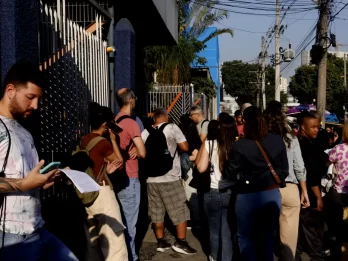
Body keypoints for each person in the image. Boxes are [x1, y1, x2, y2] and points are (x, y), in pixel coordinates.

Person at [0, 63, 78, 260]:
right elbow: (23, 183)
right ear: (10, 90)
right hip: (11, 237)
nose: (35, 106)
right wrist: (26, 184)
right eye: (30, 97)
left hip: (38, 229)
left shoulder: (25, 133)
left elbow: (28, 184)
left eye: (38, 99)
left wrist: (46, 181)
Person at [225, 106, 288, 260]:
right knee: (267, 237)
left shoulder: (240, 145)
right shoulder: (277, 140)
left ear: (245, 121)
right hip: (271, 193)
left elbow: (230, 172)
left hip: (247, 195)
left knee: (246, 237)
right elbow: (284, 170)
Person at [141, 108, 197, 255]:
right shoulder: (172, 127)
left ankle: (161, 241)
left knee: (156, 211)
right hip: (170, 176)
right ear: (166, 116)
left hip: (151, 178)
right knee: (180, 210)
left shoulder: (145, 132)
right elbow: (185, 147)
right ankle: (181, 242)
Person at [78, 102, 128, 261]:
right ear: (106, 125)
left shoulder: (83, 140)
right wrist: (113, 140)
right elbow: (120, 164)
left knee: (92, 241)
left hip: (86, 192)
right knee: (114, 240)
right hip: (102, 192)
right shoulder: (103, 142)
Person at [264, 108, 309, 261]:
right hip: (290, 188)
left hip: (267, 188)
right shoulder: (291, 139)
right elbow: (299, 167)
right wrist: (304, 191)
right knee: (289, 240)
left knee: (265, 233)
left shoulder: (262, 138)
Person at [195, 115, 237, 261]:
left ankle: (213, 257)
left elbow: (200, 168)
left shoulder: (210, 144)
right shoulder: (236, 144)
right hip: (230, 192)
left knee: (213, 229)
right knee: (227, 231)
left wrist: (203, 144)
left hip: (211, 192)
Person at [114, 88, 146, 261]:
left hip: (117, 176)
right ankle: (131, 257)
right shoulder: (132, 123)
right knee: (130, 224)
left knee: (121, 221)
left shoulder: (115, 120)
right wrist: (137, 149)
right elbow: (143, 152)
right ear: (131, 100)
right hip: (130, 177)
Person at [296, 112, 328, 261]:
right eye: (313, 127)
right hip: (308, 192)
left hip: (303, 191)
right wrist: (318, 197)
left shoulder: (304, 142)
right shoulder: (304, 145)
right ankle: (317, 256)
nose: (316, 130)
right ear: (303, 127)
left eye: (318, 127)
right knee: (312, 227)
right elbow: (311, 175)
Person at [325, 120, 348, 260]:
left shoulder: (338, 149)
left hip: (338, 193)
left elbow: (327, 161)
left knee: (337, 226)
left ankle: (338, 252)